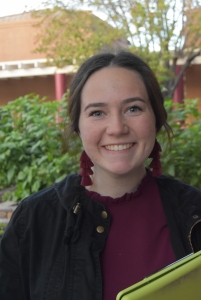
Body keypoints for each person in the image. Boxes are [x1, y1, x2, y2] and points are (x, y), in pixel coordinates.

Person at [1, 51, 201, 300]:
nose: (117, 128)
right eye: (97, 112)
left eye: (133, 108)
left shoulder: (195, 212)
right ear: (78, 126)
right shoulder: (34, 220)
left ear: (156, 119)